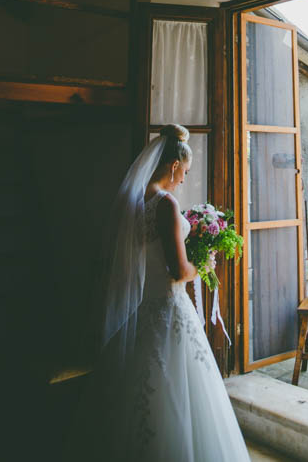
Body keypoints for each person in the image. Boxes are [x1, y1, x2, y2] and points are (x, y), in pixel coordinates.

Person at [65, 124, 250, 462]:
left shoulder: (134, 200)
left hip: (142, 309)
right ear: (174, 165)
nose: (183, 180)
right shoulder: (165, 204)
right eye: (185, 172)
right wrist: (204, 265)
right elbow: (178, 272)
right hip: (167, 305)